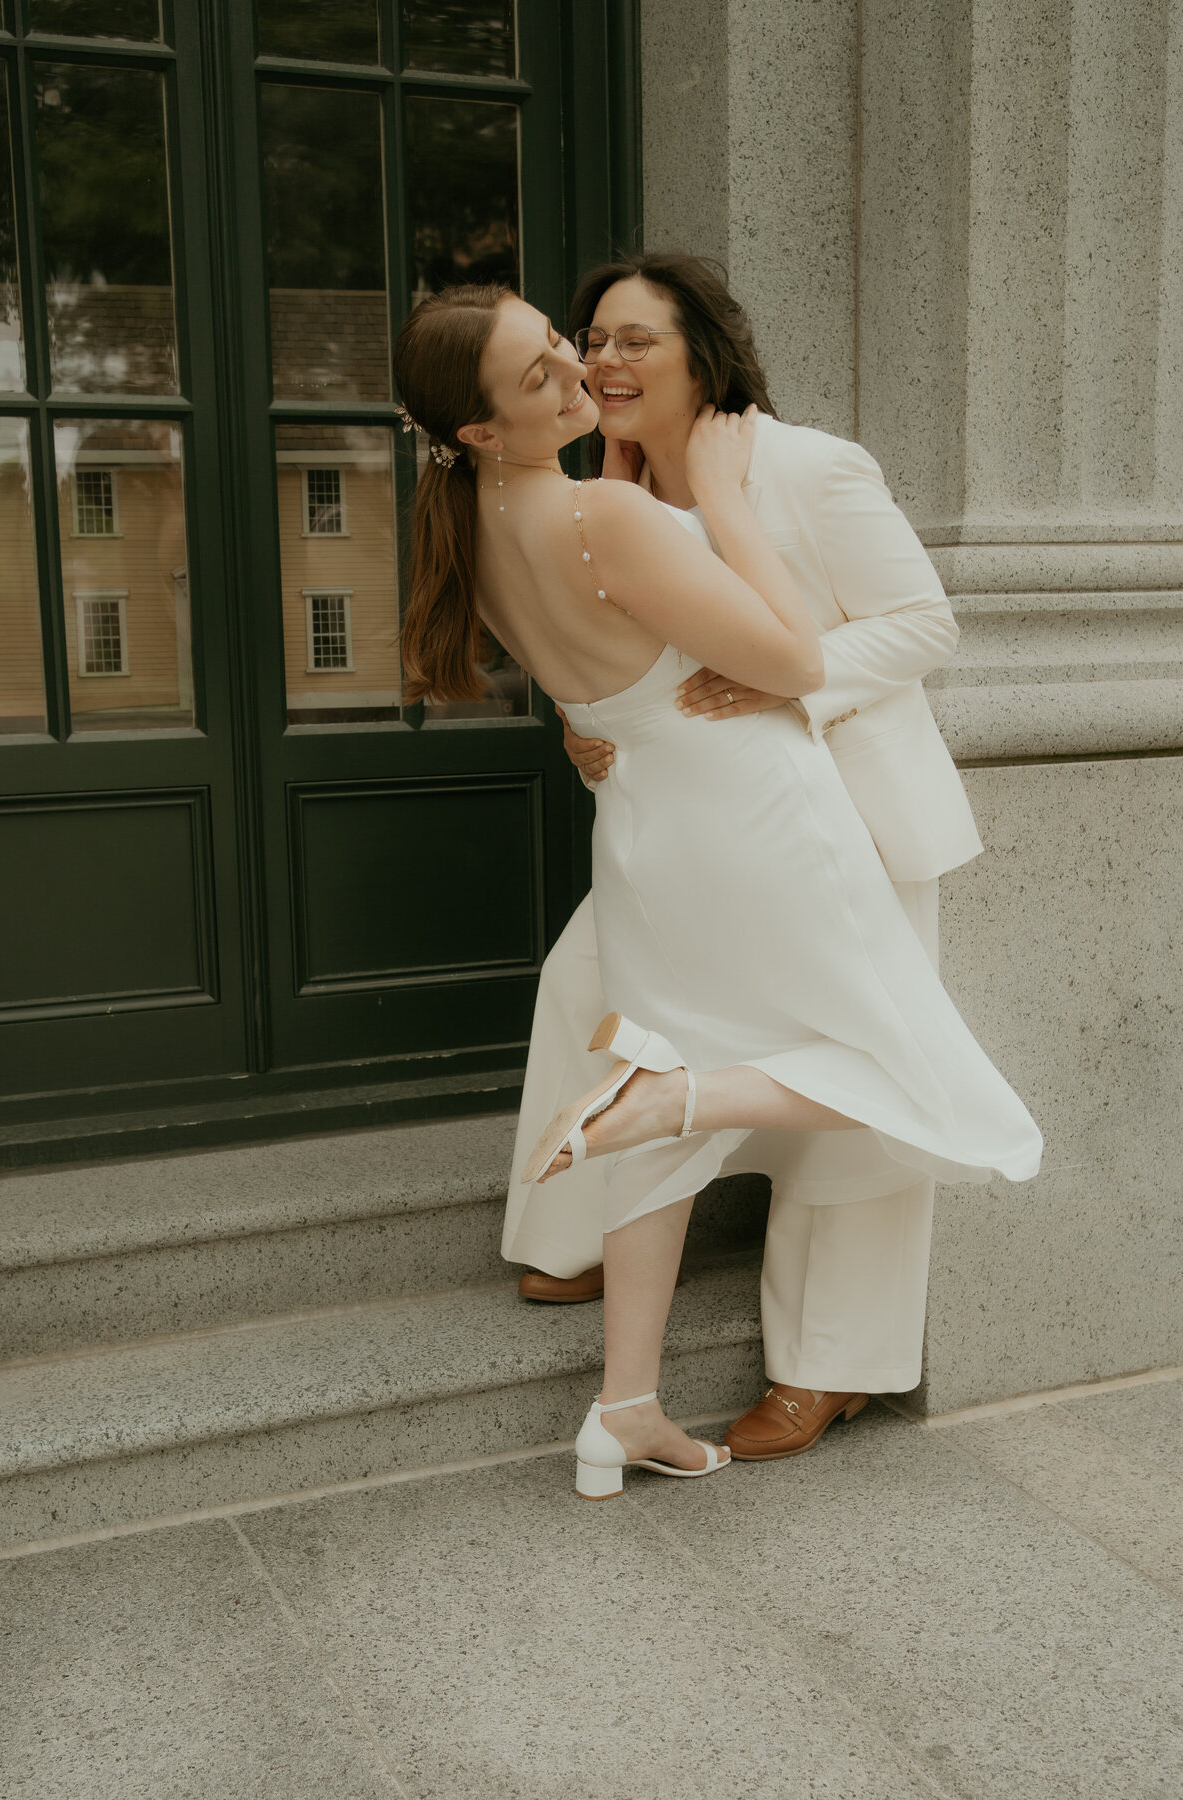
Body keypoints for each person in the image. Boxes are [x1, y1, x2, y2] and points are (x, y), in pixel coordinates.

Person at [393, 283, 1041, 1499]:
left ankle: (627, 1407)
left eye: (609, 342)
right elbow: (779, 651)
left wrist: (607, 717)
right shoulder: (601, 501)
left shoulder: (479, 518)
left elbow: (910, 628)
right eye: (569, 354)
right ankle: (676, 1100)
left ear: (705, 351)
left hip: (681, 828)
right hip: (753, 822)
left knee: (669, 1104)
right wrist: (726, 542)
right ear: (479, 429)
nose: (592, 366)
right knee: (901, 1076)